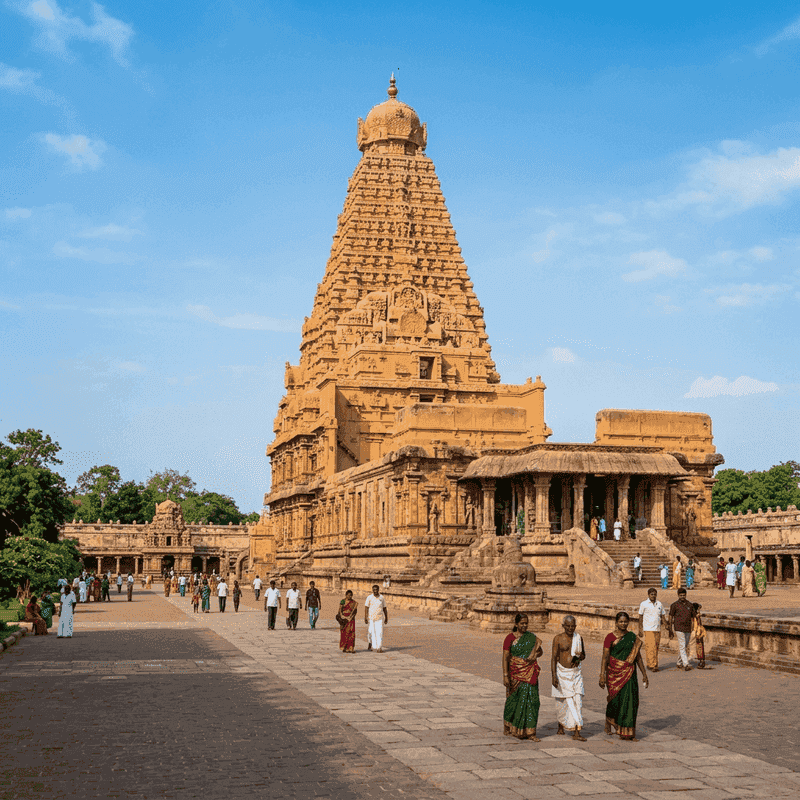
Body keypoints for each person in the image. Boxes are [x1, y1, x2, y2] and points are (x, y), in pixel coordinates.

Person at [600, 611, 648, 740]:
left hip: (630, 673)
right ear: (616, 623)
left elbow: (638, 657)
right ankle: (609, 720)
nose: (623, 624)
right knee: (614, 701)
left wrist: (644, 674)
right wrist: (602, 675)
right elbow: (605, 657)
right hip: (613, 673)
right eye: (621, 621)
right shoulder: (610, 637)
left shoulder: (632, 637)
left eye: (625, 621)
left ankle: (627, 732)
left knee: (630, 702)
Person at [503, 613, 543, 740]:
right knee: (513, 700)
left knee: (533, 701)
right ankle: (509, 725)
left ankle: (530, 732)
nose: (524, 625)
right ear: (516, 624)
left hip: (530, 673)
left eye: (526, 623)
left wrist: (534, 654)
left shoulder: (531, 637)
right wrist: (505, 675)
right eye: (522, 623)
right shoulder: (510, 638)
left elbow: (540, 651)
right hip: (515, 673)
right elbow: (505, 658)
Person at [551, 615, 586, 741]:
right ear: (563, 626)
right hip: (562, 673)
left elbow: (583, 656)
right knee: (562, 702)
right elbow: (554, 658)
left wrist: (579, 656)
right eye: (568, 626)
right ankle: (561, 725)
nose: (571, 628)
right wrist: (554, 676)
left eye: (573, 626)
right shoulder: (558, 638)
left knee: (577, 702)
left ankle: (577, 732)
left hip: (576, 673)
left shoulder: (579, 638)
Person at [638, 588, 666, 672]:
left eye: (654, 594)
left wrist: (666, 625)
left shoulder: (659, 604)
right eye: (652, 594)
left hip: (657, 628)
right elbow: (640, 617)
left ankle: (650, 664)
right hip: (648, 628)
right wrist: (640, 628)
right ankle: (653, 665)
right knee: (651, 647)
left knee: (655, 647)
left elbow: (663, 616)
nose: (653, 596)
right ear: (648, 595)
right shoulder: (644, 604)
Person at [668, 587, 696, 670]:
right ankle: (686, 664)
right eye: (681, 595)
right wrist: (670, 628)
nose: (682, 597)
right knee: (682, 645)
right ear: (678, 595)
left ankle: (679, 662)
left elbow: (693, 617)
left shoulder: (690, 605)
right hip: (678, 627)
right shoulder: (674, 605)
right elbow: (670, 616)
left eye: (684, 595)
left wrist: (694, 626)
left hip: (688, 627)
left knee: (685, 645)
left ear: (686, 595)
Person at [364, 584, 388, 653]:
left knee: (379, 632)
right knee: (371, 632)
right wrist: (365, 617)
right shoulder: (369, 597)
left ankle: (379, 647)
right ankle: (370, 642)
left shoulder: (381, 598)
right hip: (371, 618)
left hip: (380, 618)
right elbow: (366, 607)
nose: (375, 591)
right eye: (374, 590)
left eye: (376, 590)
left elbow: (384, 608)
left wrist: (386, 617)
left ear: (378, 590)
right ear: (372, 590)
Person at [692, 602, 706, 669]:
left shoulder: (696, 616)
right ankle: (701, 661)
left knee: (699, 647)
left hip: (698, 632)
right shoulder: (697, 615)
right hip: (699, 632)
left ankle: (701, 661)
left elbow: (697, 625)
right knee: (700, 647)